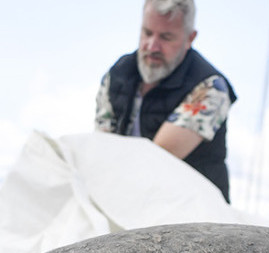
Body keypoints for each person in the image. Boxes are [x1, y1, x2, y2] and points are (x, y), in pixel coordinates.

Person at [95, 0, 238, 201]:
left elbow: (158, 159)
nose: (152, 46)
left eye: (166, 37)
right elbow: (101, 148)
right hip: (126, 200)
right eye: (147, 32)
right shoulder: (117, 75)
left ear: (190, 38)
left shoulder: (211, 87)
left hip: (194, 212)